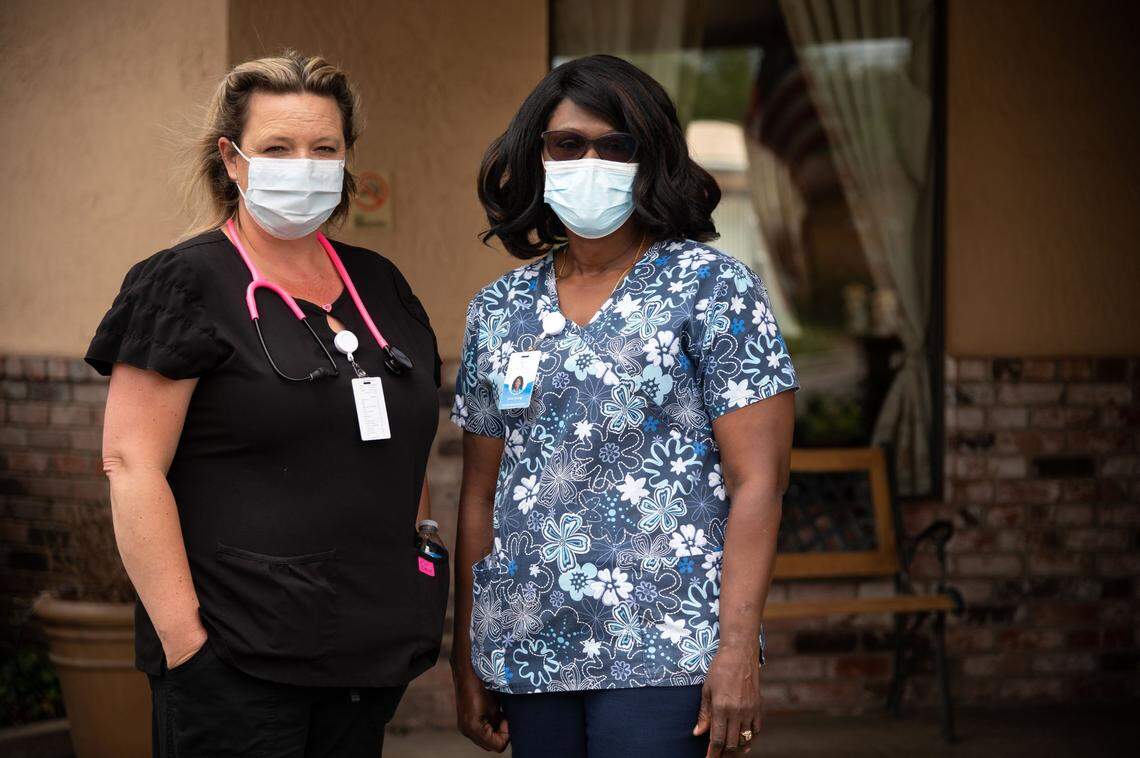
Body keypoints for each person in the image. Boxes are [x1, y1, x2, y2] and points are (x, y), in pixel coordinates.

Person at [88, 52, 447, 757]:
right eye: (277, 148)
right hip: (236, 667)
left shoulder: (382, 285)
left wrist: (414, 570)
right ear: (232, 158)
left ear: (347, 160)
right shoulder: (184, 283)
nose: (303, 165)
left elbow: (407, 442)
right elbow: (130, 465)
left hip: (362, 658)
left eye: (324, 148)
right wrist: (188, 646)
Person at [450, 55, 799, 758]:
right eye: (569, 144)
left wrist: (736, 650)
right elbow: (480, 494)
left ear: (653, 159)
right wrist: (468, 652)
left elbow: (758, 481)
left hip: (666, 646)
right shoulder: (498, 309)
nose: (591, 161)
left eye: (617, 146)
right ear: (537, 156)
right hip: (529, 645)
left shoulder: (713, 288)